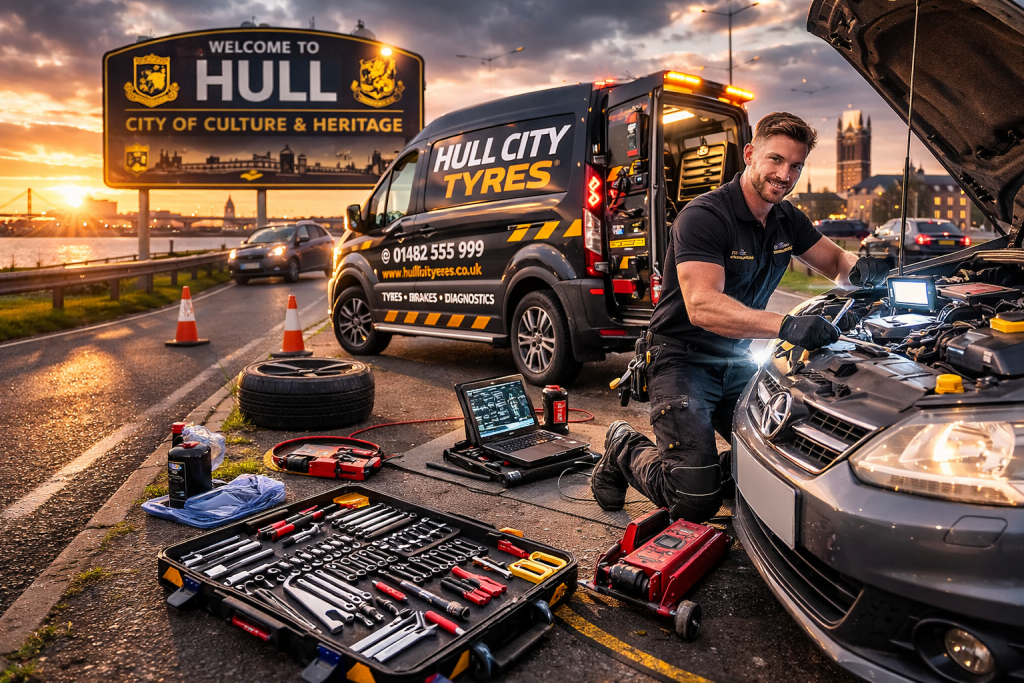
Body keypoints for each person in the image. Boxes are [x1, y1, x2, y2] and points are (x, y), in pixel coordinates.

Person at [591, 112, 888, 523]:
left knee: (783, 459)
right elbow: (702, 306)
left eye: (796, 165)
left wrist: (861, 269)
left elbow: (837, 261)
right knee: (694, 500)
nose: (785, 175)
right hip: (681, 359)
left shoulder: (787, 219)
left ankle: (706, 471)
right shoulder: (705, 216)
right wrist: (787, 325)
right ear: (750, 154)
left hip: (736, 359)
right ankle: (623, 447)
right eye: (775, 159)